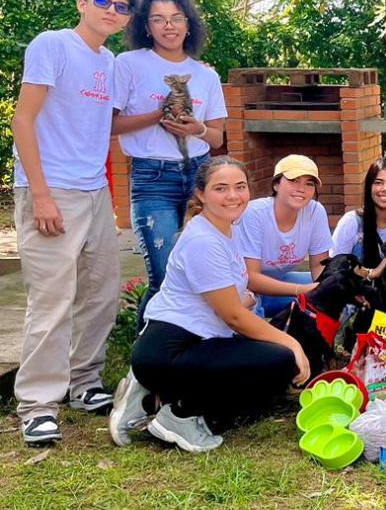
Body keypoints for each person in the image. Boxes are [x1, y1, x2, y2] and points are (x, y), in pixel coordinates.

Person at [11, 0, 140, 446]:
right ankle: (38, 404)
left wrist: (168, 117)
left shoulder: (108, 62)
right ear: (83, 4)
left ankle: (84, 383)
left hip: (94, 193)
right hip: (51, 191)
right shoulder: (52, 45)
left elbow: (104, 127)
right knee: (52, 301)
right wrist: (40, 193)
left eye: (121, 7)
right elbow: (23, 119)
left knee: (100, 293)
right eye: (103, 1)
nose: (111, 10)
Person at [109, 156, 308, 452]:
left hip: (194, 343)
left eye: (240, 187)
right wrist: (292, 343)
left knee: (264, 387)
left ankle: (152, 398)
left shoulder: (227, 229)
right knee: (279, 360)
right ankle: (180, 414)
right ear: (201, 194)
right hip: (170, 350)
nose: (233, 196)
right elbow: (234, 317)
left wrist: (244, 299)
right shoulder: (203, 240)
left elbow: (220, 296)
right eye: (221, 188)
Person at [112, 0, 226, 325]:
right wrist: (156, 116)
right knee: (163, 275)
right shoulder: (128, 64)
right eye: (158, 19)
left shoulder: (206, 75)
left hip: (200, 177)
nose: (169, 26)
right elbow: (111, 125)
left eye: (177, 18)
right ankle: (146, 362)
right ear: (146, 26)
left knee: (202, 271)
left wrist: (196, 129)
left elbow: (218, 137)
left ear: (189, 24)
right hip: (151, 178)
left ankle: (194, 347)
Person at [237, 155, 333, 319]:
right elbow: (251, 278)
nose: (301, 188)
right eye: (294, 180)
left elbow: (319, 267)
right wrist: (301, 290)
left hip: (280, 282)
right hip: (245, 288)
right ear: (276, 185)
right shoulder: (254, 214)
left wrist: (323, 292)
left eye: (309, 184)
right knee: (255, 325)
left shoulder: (315, 211)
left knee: (338, 288)